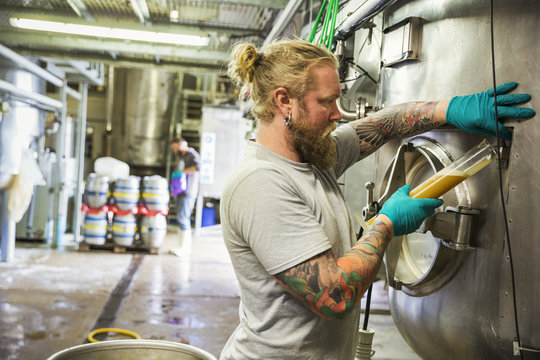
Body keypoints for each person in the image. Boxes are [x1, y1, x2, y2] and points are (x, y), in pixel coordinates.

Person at [220, 39, 535, 359]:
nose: (336, 115)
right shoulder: (261, 183)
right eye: (326, 102)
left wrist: (449, 109)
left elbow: (383, 124)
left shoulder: (313, 156)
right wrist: (386, 223)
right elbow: (335, 295)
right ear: (284, 100)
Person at [170, 137, 200, 256]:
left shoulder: (191, 154)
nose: (174, 150)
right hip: (181, 192)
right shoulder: (183, 156)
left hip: (188, 192)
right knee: (180, 218)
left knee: (183, 218)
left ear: (181, 144)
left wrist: (182, 172)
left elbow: (198, 167)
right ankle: (180, 246)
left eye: (175, 147)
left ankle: (185, 248)